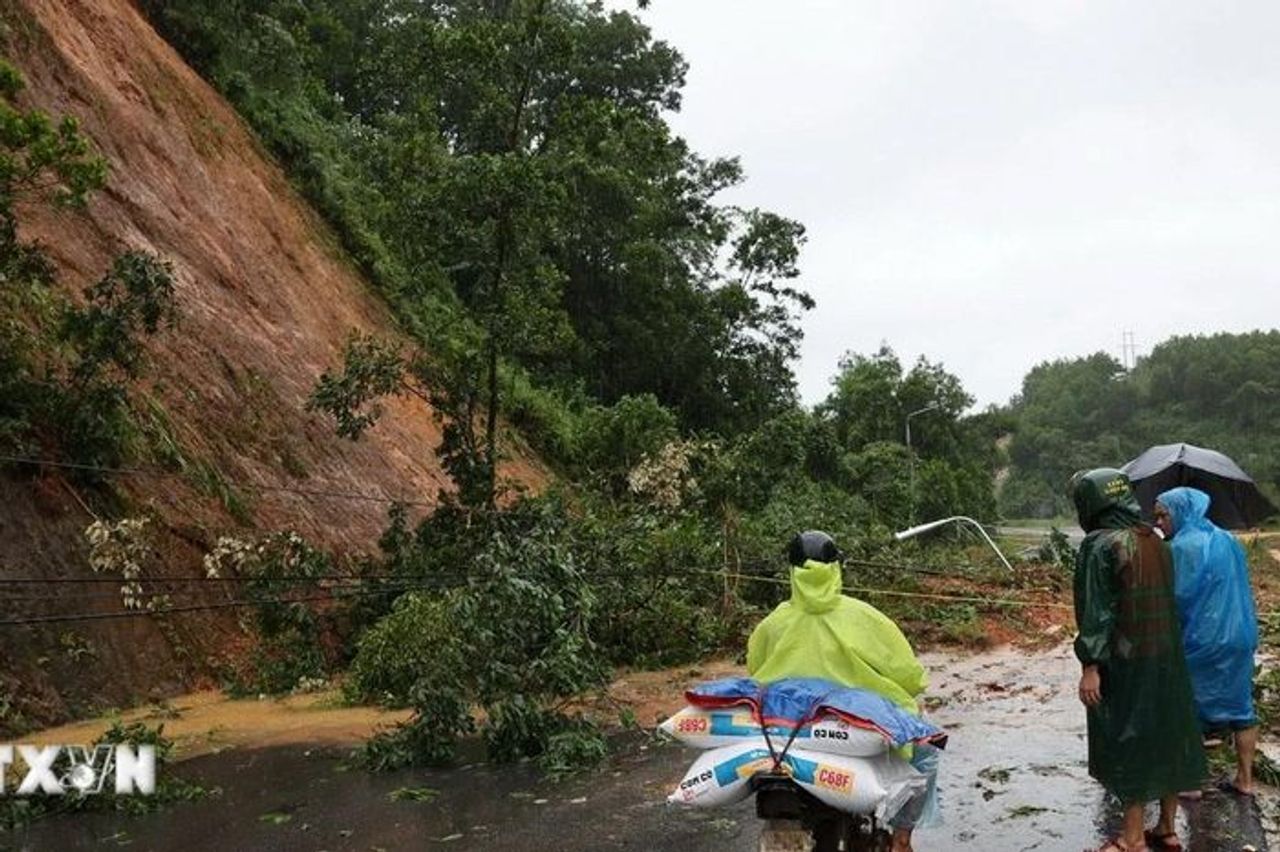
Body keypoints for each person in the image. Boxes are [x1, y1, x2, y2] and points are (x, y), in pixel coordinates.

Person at [747, 530, 934, 852]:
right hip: (852, 727)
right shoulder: (864, 617)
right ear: (836, 568)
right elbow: (908, 674)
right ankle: (902, 841)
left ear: (792, 571)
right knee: (928, 750)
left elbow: (755, 668)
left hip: (786, 729)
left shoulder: (772, 623)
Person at [1070, 469, 1207, 852]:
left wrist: (1090, 666)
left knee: (1128, 738)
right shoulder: (1157, 541)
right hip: (1166, 657)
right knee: (1166, 735)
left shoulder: (1100, 545)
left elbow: (1096, 613)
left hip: (1125, 664)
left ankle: (1131, 839)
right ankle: (1166, 827)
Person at [1155, 486, 1260, 796]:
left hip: (1202, 639)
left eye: (1163, 515)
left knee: (1188, 707)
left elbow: (1176, 598)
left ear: (1181, 512)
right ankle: (1245, 779)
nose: (1159, 522)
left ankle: (1192, 782)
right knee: (1242, 709)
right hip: (1239, 636)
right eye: (1157, 516)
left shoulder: (1180, 548)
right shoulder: (1228, 540)